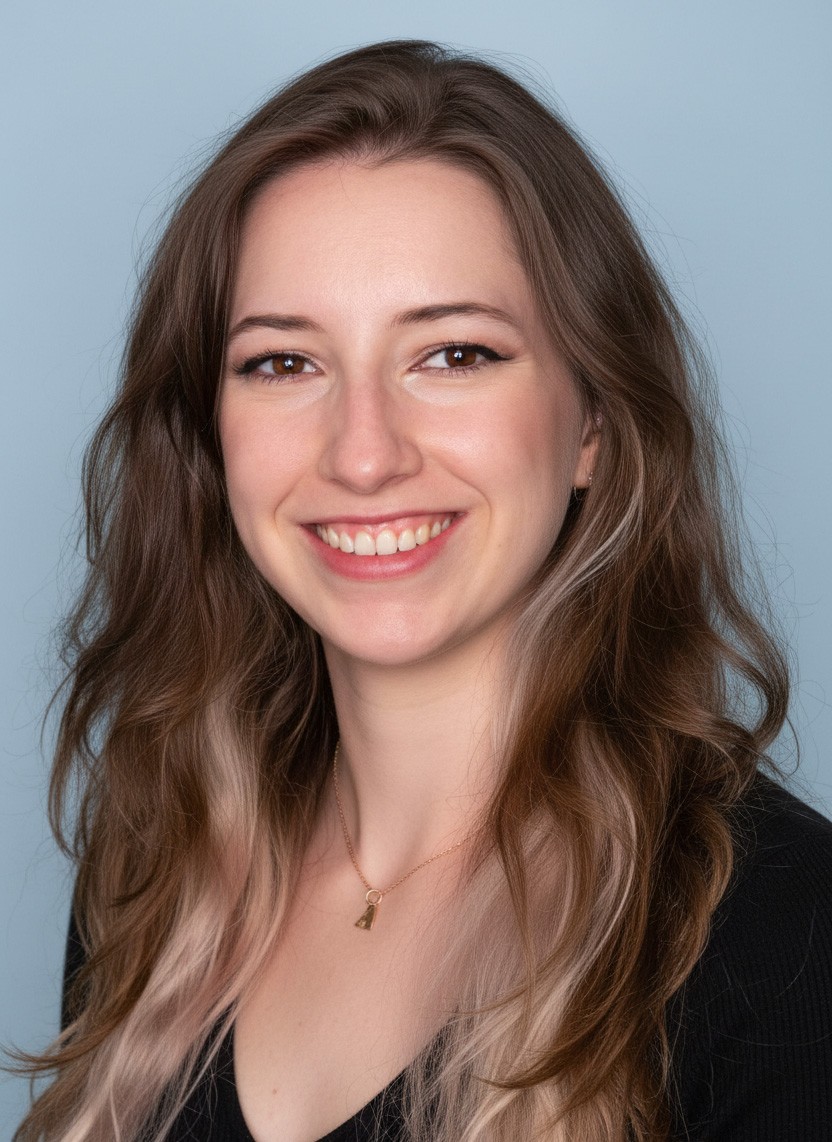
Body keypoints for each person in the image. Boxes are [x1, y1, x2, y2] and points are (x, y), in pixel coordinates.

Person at [14, 39, 832, 1142]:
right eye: (283, 363)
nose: (363, 455)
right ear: (210, 436)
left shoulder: (786, 940)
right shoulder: (154, 869)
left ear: (593, 420)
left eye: (453, 355)